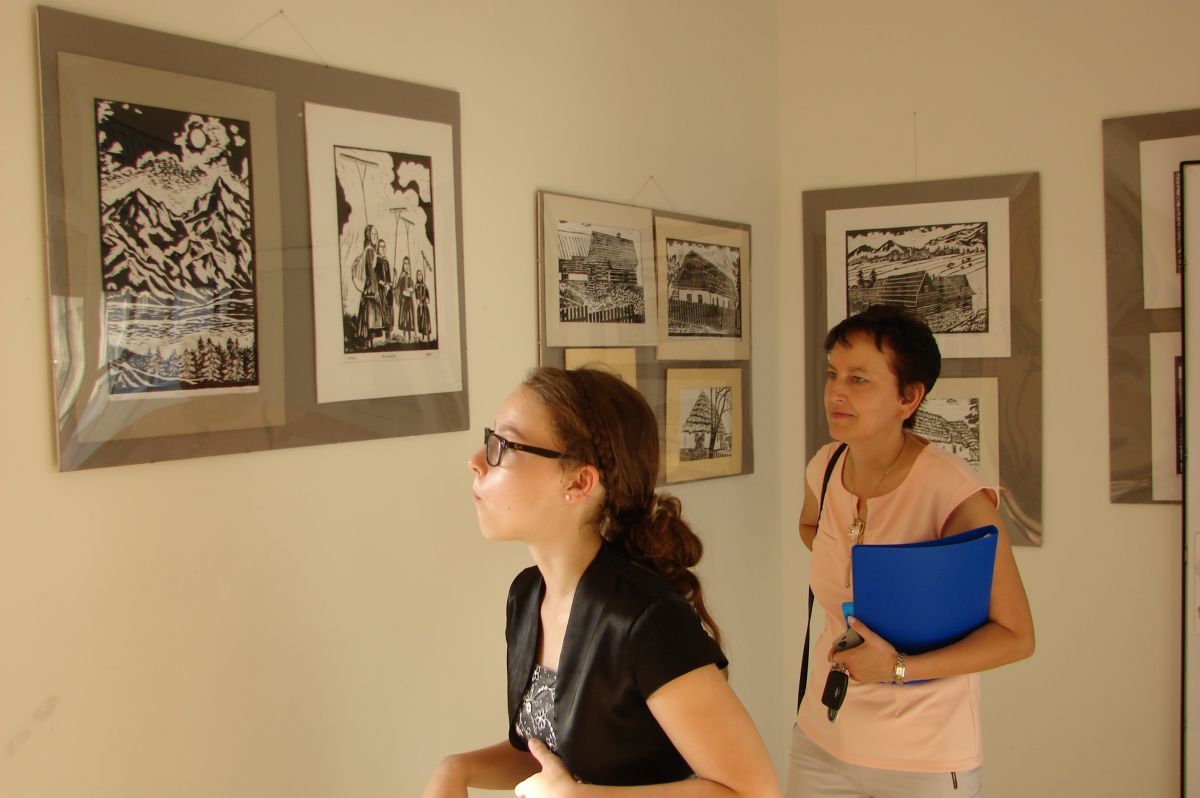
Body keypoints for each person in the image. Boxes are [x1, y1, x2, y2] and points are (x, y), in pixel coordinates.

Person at [423, 366, 781, 797]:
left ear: (579, 482)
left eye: (505, 445)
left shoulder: (647, 621)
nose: (476, 461)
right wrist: (458, 769)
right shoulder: (527, 595)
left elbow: (754, 791)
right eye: (490, 439)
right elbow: (548, 753)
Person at [788, 304, 1034, 798]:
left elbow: (1016, 637)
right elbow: (810, 525)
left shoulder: (954, 493)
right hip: (821, 740)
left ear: (908, 397)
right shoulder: (825, 467)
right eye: (833, 374)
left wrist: (898, 668)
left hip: (922, 761)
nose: (835, 392)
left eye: (859, 379)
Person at [396, 256, 416, 343]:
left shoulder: (410, 277)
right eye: (405, 263)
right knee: (404, 318)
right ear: (403, 265)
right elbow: (398, 287)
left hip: (409, 300)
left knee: (409, 318)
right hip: (403, 300)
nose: (407, 265)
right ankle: (404, 336)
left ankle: (410, 336)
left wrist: (410, 290)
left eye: (408, 264)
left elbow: (413, 288)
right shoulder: (402, 276)